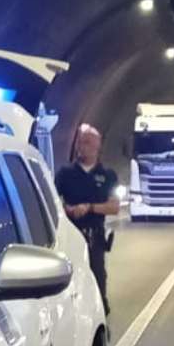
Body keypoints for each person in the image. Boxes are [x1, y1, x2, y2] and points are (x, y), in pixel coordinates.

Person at [54, 124, 123, 312]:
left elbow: (114, 207)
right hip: (70, 236)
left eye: (87, 143)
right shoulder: (65, 174)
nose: (82, 147)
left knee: (97, 277)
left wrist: (90, 208)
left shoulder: (107, 175)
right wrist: (68, 210)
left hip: (95, 238)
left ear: (97, 146)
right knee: (69, 279)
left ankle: (99, 312)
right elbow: (53, 201)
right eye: (81, 142)